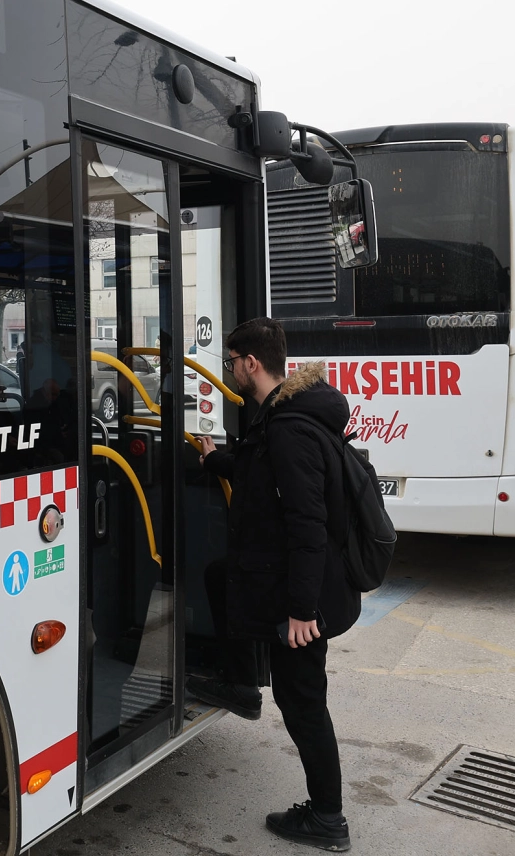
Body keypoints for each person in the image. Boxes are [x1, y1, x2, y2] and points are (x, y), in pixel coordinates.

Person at [193, 317, 359, 851]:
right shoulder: (280, 416)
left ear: (251, 363)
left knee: (303, 701)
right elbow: (256, 468)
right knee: (219, 576)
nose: (230, 371)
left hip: (302, 592)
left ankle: (328, 818)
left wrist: (302, 611)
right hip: (280, 576)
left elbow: (308, 526)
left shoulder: (288, 428)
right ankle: (242, 683)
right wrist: (212, 459)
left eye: (231, 362)